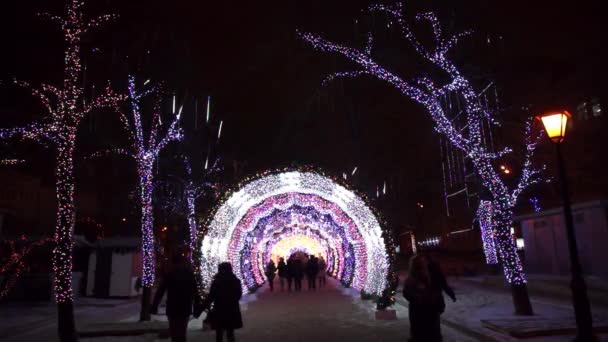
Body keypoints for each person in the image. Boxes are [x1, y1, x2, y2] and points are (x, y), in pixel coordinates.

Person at [403, 254, 444, 342]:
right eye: (421, 264)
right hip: (421, 318)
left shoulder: (430, 279)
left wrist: (438, 304)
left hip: (429, 318)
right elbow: (409, 294)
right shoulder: (412, 281)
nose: (424, 266)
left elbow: (438, 295)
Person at [164, 252, 199, 342]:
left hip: (172, 307)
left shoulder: (170, 274)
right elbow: (195, 292)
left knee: (174, 332)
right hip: (185, 307)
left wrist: (154, 306)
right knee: (182, 332)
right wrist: (196, 308)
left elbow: (161, 290)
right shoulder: (189, 274)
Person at [205, 262, 243, 342]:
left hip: (219, 309)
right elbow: (238, 295)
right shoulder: (235, 280)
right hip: (231, 309)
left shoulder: (216, 281)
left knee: (219, 332)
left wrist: (206, 305)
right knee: (230, 332)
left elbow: (211, 296)